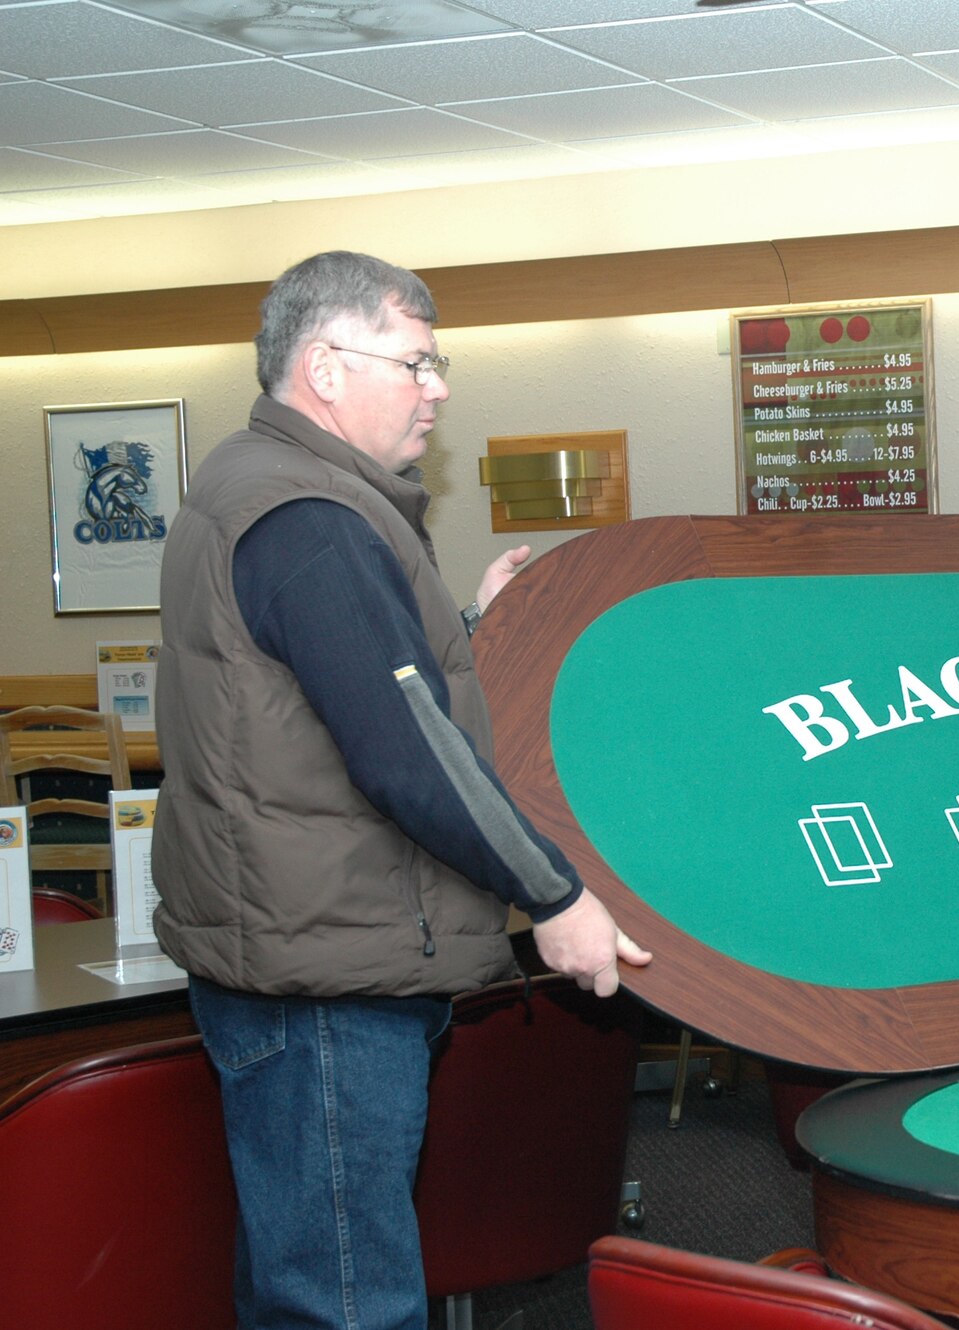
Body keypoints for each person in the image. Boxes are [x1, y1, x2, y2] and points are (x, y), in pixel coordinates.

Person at [152, 250, 652, 1330]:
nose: (438, 387)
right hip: (329, 981)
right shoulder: (310, 521)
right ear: (325, 367)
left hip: (302, 954)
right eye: (416, 361)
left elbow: (320, 705)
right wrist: (556, 898)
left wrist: (469, 631)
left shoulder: (269, 486)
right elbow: (404, 752)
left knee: (302, 1271)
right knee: (345, 1299)